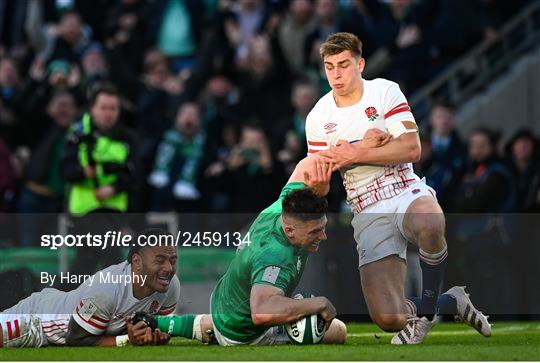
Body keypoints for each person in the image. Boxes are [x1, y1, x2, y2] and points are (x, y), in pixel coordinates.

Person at [306, 32, 491, 344]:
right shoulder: (318, 117)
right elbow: (319, 178)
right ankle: (451, 302)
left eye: (344, 65)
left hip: (402, 186)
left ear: (360, 64)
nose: (336, 74)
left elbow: (410, 148)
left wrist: (353, 153)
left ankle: (428, 311)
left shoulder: (384, 91)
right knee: (388, 319)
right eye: (329, 66)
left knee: (429, 221)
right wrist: (341, 162)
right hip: (364, 206)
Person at [154, 156, 347, 346]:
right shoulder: (275, 255)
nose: (323, 236)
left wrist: (320, 184)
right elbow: (261, 312)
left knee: (279, 306)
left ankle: (157, 322)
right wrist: (317, 303)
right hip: (245, 333)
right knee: (337, 330)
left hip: (226, 302)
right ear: (289, 230)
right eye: (315, 232)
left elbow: (307, 164)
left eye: (323, 227)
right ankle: (221, 333)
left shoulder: (288, 203)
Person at [0, 229, 206, 347]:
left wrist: (155, 334)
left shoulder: (171, 287)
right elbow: (76, 338)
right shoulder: (106, 289)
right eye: (160, 260)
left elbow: (155, 326)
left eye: (173, 260)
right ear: (136, 262)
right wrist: (128, 340)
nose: (169, 268)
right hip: (37, 320)